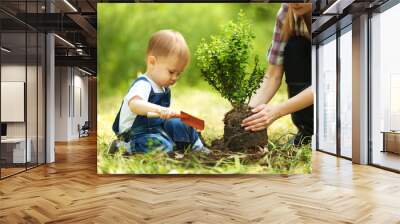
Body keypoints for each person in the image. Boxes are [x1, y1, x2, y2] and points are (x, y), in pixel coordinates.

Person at [110, 29, 209, 154]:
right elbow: (135, 105)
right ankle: (123, 146)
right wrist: (159, 110)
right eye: (171, 72)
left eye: (179, 74)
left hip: (155, 129)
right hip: (135, 134)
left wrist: (172, 116)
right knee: (161, 146)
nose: (175, 78)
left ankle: (198, 148)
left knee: (180, 124)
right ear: (152, 62)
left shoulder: (163, 87)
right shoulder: (143, 84)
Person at [241, 3, 313, 145]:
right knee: (295, 47)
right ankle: (309, 132)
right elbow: (272, 76)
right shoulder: (287, 12)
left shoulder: (338, 9)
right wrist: (246, 113)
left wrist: (277, 111)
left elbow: (329, 83)